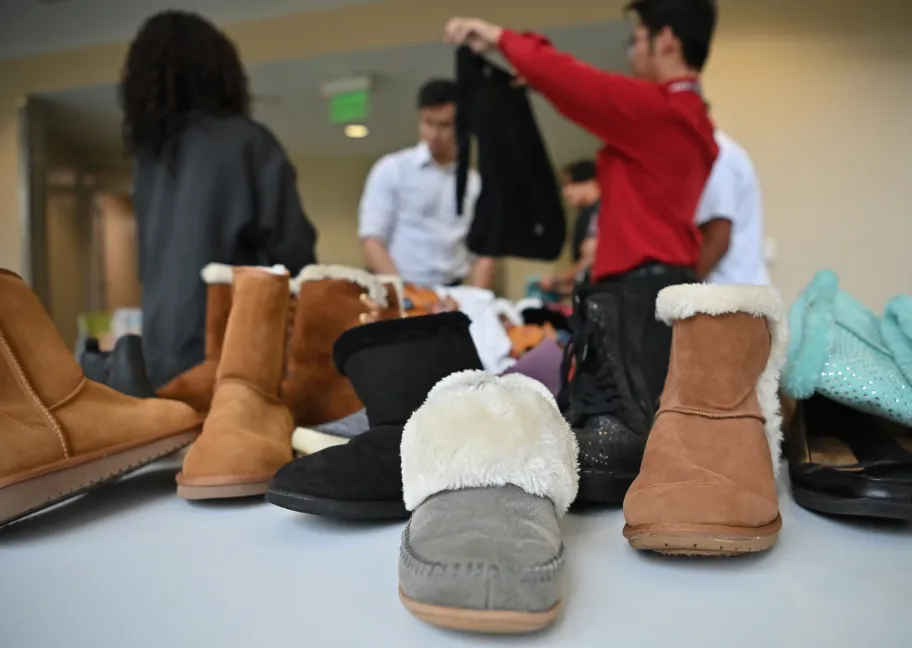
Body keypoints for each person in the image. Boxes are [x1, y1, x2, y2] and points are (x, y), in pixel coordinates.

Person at [444, 0, 719, 405]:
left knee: (626, 428)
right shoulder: (689, 116)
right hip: (659, 292)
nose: (632, 51)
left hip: (639, 301)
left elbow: (581, 84)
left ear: (666, 40)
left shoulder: (662, 113)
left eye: (636, 38)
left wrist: (500, 37)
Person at [119, 10, 317, 393]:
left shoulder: (149, 160)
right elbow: (295, 254)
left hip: (160, 354)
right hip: (233, 354)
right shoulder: (247, 142)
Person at [358, 79, 494, 288]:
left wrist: (477, 300)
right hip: (404, 287)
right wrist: (403, 293)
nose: (434, 134)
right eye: (427, 122)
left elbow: (484, 252)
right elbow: (371, 238)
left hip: (454, 291)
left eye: (444, 125)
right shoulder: (393, 169)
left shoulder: (474, 184)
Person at [695, 130, 770, 285]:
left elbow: (718, 240)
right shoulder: (712, 151)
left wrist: (675, 292)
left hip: (729, 294)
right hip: (730, 292)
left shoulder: (718, 155)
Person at [539, 159, 601, 295]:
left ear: (589, 182)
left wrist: (556, 279)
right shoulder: (588, 213)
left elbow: (592, 258)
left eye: (568, 185)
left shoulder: (600, 211)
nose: (565, 193)